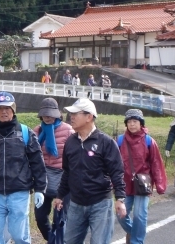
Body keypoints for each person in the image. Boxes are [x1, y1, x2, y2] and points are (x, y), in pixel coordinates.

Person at [0, 91, 47, 244]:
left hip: (19, 193)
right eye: (0, 108)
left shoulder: (26, 133)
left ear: (13, 110)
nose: (3, 111)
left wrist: (40, 189)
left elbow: (37, 163)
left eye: (7, 108)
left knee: (20, 237)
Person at [53, 98, 127, 244]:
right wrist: (60, 195)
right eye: (70, 114)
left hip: (100, 203)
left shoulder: (105, 142)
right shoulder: (70, 142)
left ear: (89, 116)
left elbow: (116, 172)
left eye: (75, 114)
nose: (71, 117)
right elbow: (67, 171)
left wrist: (120, 198)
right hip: (76, 203)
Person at [117, 109, 166, 244]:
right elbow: (113, 163)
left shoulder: (149, 141)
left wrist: (160, 185)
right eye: (129, 122)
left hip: (143, 184)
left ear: (141, 123)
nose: (132, 124)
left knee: (139, 215)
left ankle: (136, 241)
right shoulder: (120, 140)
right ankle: (134, 233)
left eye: (135, 121)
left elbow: (156, 164)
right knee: (120, 214)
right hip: (124, 183)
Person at [32, 98, 74, 242]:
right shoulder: (37, 131)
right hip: (43, 179)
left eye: (50, 114)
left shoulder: (68, 131)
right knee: (40, 216)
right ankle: (52, 240)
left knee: (60, 218)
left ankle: (60, 241)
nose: (47, 117)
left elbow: (75, 156)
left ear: (57, 114)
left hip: (62, 179)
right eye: (45, 114)